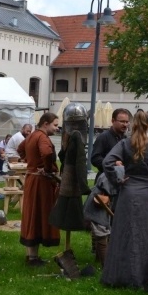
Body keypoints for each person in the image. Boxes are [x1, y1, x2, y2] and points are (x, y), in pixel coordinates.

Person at [101, 110, 148, 288]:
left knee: (124, 233)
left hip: (128, 191)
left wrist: (117, 180)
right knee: (147, 233)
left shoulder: (125, 143)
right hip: (147, 191)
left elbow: (106, 162)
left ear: (133, 124)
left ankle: (122, 276)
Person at [87, 108, 131, 265]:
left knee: (115, 217)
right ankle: (97, 251)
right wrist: (111, 163)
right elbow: (94, 158)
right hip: (104, 183)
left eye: (127, 122)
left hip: (120, 184)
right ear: (113, 121)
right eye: (122, 121)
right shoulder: (104, 137)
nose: (125, 124)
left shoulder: (125, 138)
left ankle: (112, 250)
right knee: (101, 218)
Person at [18, 112, 61, 266]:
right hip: (40, 182)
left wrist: (30, 162)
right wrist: (47, 169)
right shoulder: (42, 137)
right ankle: (32, 258)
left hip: (32, 179)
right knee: (37, 216)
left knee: (33, 215)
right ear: (45, 124)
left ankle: (32, 255)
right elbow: (47, 153)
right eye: (55, 125)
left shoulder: (32, 136)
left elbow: (20, 149)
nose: (57, 128)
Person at [50, 103, 90, 252]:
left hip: (67, 177)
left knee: (65, 212)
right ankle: (66, 251)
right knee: (68, 213)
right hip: (72, 181)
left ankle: (67, 250)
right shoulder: (77, 137)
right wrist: (84, 186)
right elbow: (80, 162)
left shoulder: (69, 137)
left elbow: (63, 155)